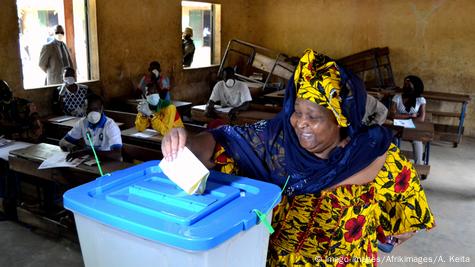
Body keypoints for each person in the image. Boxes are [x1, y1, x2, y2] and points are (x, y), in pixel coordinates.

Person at [162, 50, 434, 266]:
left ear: (342, 119)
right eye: (296, 111)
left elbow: (406, 226)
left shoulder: (376, 158)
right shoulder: (274, 143)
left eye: (314, 116)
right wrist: (182, 141)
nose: (300, 123)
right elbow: (222, 141)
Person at [59, 93, 122, 161]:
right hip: (90, 161)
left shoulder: (110, 125)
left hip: (108, 162)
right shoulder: (82, 123)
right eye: (88, 110)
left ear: (101, 109)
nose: (92, 113)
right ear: (84, 110)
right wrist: (73, 148)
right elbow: (62, 142)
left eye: (95, 109)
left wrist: (88, 151)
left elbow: (117, 155)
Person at [389, 75, 426, 164]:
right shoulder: (397, 97)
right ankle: (392, 162)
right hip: (398, 125)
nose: (405, 86)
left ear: (415, 86)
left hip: (412, 127)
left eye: (408, 84)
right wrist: (410, 117)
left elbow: (421, 118)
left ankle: (418, 165)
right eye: (404, 84)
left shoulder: (421, 100)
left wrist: (400, 116)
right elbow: (392, 115)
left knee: (417, 140)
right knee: (389, 136)